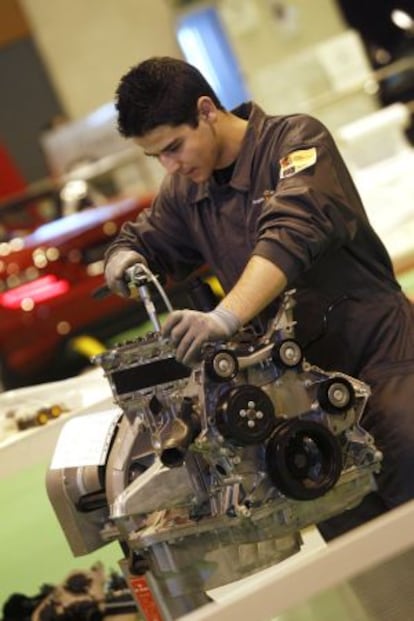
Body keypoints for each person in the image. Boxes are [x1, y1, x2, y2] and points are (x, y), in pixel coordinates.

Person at [104, 56, 414, 540]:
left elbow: (291, 232)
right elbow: (143, 239)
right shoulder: (187, 191)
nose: (170, 166)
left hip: (385, 362)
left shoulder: (297, 143)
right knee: (362, 552)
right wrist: (123, 257)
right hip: (303, 404)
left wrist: (224, 317)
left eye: (173, 147)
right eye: (156, 158)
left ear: (206, 110)